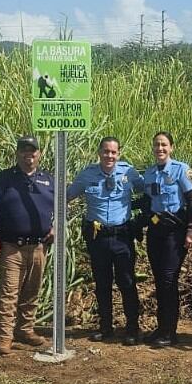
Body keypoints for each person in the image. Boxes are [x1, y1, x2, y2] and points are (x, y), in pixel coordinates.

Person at [67, 136, 145, 346]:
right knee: (102, 284)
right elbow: (67, 196)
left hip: (122, 237)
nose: (109, 156)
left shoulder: (129, 172)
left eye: (113, 152)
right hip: (98, 237)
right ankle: (105, 328)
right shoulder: (87, 174)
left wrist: (143, 219)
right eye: (106, 151)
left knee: (127, 283)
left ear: (118, 154)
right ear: (99, 152)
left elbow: (147, 193)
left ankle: (132, 329)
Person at [0, 135, 54, 356]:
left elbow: (61, 204)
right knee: (9, 293)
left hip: (38, 247)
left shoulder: (48, 180)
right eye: (24, 151)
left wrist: (55, 226)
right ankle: (4, 337)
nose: (28, 156)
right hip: (12, 246)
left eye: (32, 151)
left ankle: (25, 329)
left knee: (32, 292)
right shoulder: (5, 179)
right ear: (17, 154)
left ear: (39, 154)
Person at [141, 131, 192, 347]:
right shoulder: (149, 173)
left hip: (175, 232)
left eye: (164, 145)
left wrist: (190, 229)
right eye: (157, 145)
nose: (160, 149)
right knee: (159, 280)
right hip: (156, 232)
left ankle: (170, 331)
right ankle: (161, 327)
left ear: (171, 147)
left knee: (168, 280)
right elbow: (147, 202)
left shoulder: (181, 169)